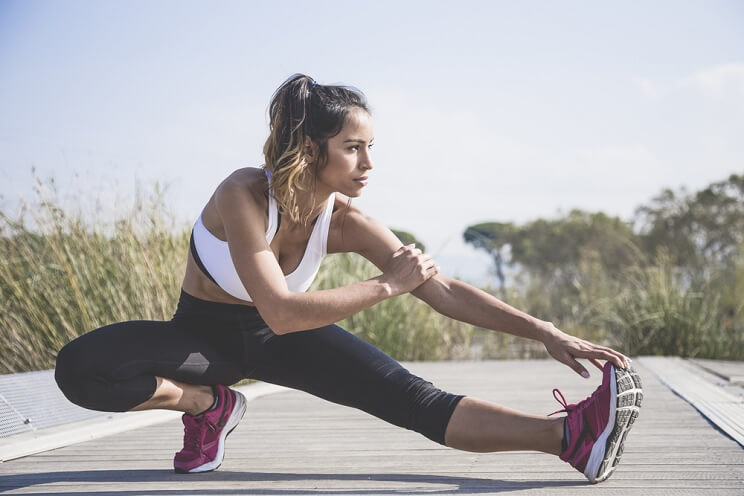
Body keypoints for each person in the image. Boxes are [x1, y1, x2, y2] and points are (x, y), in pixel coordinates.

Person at [54, 73, 642, 484]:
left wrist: (542, 330)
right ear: (312, 149)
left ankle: (572, 437)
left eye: (371, 148)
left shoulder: (349, 222)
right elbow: (282, 308)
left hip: (280, 339)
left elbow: (443, 291)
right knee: (80, 369)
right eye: (354, 148)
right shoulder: (243, 194)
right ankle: (208, 405)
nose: (368, 164)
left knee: (413, 399)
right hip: (202, 342)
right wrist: (389, 284)